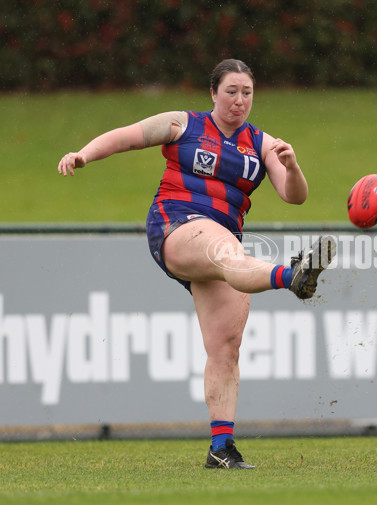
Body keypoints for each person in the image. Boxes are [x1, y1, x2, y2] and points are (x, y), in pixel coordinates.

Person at [57, 59, 336, 469]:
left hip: (223, 241)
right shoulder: (181, 125)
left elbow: (295, 196)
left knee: (226, 345)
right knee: (228, 253)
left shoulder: (262, 143)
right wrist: (84, 154)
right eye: (231, 92)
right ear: (213, 93)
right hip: (175, 225)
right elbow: (127, 137)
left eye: (247, 93)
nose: (240, 101)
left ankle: (221, 449)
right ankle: (292, 276)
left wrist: (292, 165)